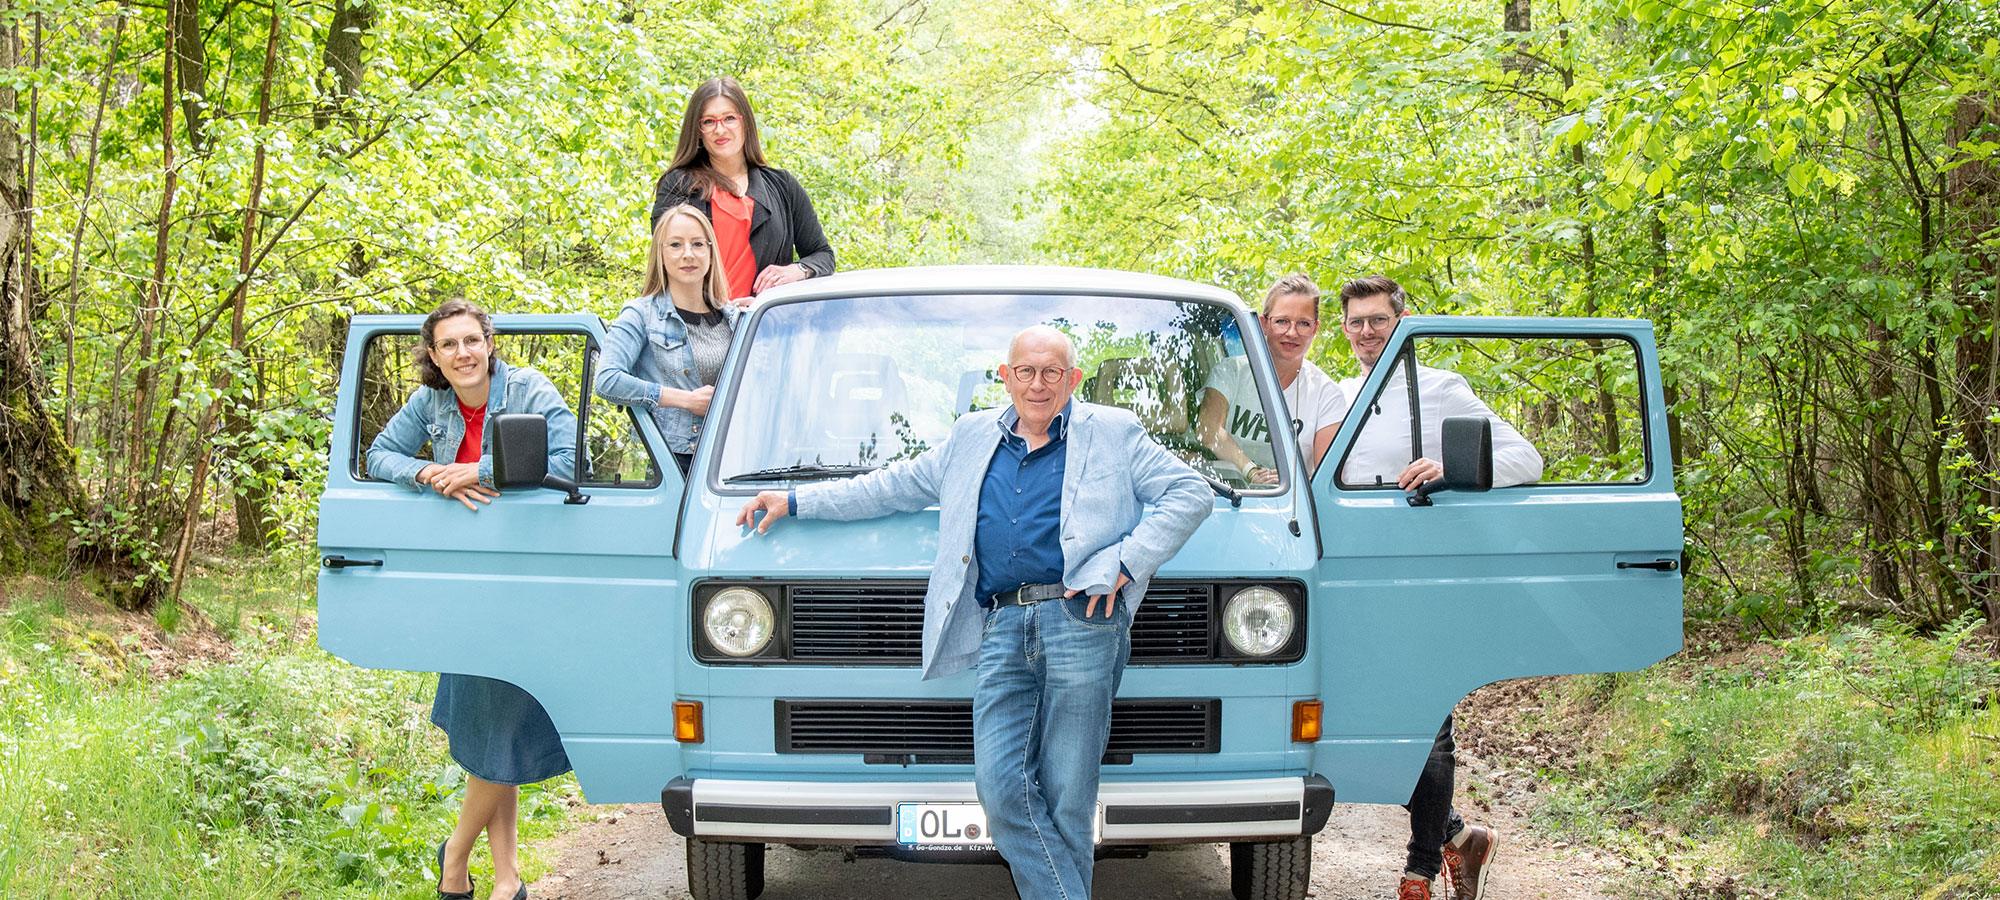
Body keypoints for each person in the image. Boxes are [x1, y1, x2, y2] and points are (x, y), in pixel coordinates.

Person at [734, 325, 1211, 900]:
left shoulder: (1113, 431)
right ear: (1005, 377)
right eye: (1026, 372)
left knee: (1069, 791)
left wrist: (1128, 562)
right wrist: (794, 500)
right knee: (1001, 787)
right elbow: (893, 485)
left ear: (1073, 379)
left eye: (1052, 372)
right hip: (1003, 624)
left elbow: (1190, 492)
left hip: (1082, 620)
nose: (1038, 384)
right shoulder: (971, 436)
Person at [365, 300, 578, 900]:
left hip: (527, 574)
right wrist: (427, 474)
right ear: (433, 355)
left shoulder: (530, 390)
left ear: (489, 342)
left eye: (471, 340)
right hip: (464, 581)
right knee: (494, 727)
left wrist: (479, 469)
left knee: (501, 720)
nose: (462, 353)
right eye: (448, 345)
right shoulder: (429, 405)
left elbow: (568, 460)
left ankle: (455, 857)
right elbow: (379, 455)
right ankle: (507, 879)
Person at [1332, 275, 1535, 900]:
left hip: (1420, 571)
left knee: (1428, 715)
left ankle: (1419, 871)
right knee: (1361, 715)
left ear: (1403, 319)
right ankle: (1459, 835)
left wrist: (1451, 469)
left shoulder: (1441, 388)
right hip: (1345, 576)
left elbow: (1526, 459)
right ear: (1343, 328)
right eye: (1356, 321)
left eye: (1378, 320)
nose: (1367, 332)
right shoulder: (1335, 393)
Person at [650, 76, 835, 303]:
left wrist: (797, 271)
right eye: (709, 121)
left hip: (764, 327)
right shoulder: (678, 185)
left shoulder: (783, 186)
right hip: (697, 327)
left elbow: (823, 255)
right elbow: (665, 259)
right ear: (698, 131)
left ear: (745, 122)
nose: (720, 129)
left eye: (729, 118)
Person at [596, 204, 742, 476]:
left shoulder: (733, 318)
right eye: (675, 244)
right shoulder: (641, 314)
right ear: (660, 254)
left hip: (733, 456)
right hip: (673, 464)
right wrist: (685, 400)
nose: (688, 254)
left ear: (710, 252)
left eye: (698, 244)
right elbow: (607, 379)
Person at [1198, 273, 1347, 483]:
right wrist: (1251, 471)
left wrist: (1289, 482)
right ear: (1264, 324)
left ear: (1315, 329)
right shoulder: (1232, 371)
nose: (1292, 333)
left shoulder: (1326, 393)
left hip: (1292, 506)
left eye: (1303, 323)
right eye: (1282, 321)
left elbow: (1327, 475)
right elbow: (1209, 430)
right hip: (1230, 495)